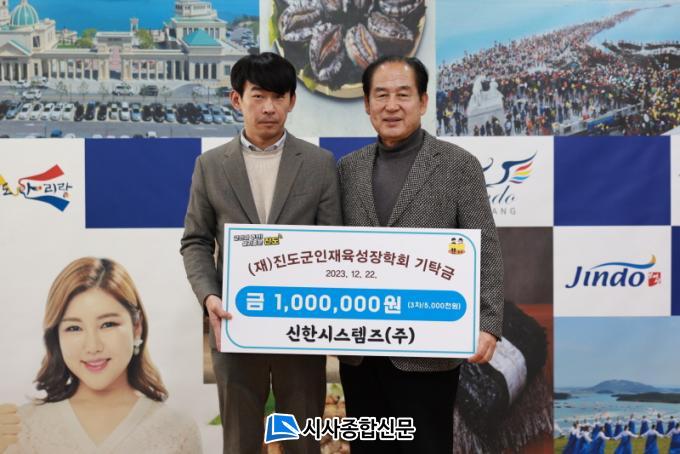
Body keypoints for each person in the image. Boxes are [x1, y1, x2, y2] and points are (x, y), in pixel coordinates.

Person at [337, 55, 504, 453]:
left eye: (403, 94)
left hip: (428, 349)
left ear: (424, 101)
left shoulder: (458, 166)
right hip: (361, 353)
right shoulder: (346, 169)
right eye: (381, 95)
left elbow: (486, 248)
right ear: (366, 104)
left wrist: (488, 323)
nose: (391, 106)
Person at [180, 52, 342, 454]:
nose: (269, 107)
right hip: (236, 324)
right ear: (237, 100)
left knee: (302, 442)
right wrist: (209, 296)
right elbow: (196, 240)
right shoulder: (210, 166)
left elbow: (333, 243)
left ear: (292, 101)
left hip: (300, 328)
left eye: (278, 97)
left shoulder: (319, 164)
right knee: (239, 441)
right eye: (258, 96)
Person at [0, 257, 201, 454]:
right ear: (57, 336)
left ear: (136, 327)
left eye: (107, 324)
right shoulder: (20, 427)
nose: (93, 346)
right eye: (74, 328)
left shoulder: (177, 430)